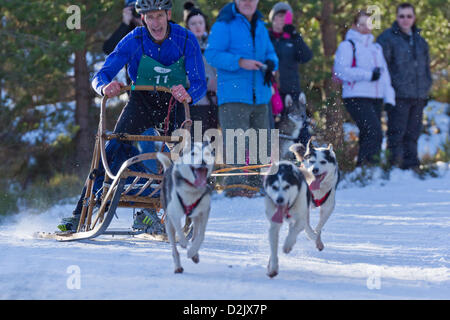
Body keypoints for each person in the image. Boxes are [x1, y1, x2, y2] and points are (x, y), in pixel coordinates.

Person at [58, 0, 207, 232]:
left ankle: (153, 210)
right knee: (114, 148)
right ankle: (81, 211)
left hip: (174, 104)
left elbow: (200, 83)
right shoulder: (134, 39)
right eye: (149, 17)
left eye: (159, 16)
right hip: (141, 103)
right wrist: (105, 87)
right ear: (142, 17)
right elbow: (102, 74)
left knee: (175, 154)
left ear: (168, 14)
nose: (155, 23)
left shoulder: (185, 39)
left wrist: (188, 93)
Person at [205, 0, 278, 197]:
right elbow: (212, 55)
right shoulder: (224, 24)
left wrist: (272, 63)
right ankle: (235, 189)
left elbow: (271, 53)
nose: (248, 2)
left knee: (261, 143)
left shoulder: (261, 25)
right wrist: (239, 62)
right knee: (236, 143)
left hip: (260, 95)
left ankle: (256, 187)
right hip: (233, 95)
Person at [333, 10, 395, 167]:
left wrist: (389, 98)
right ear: (354, 25)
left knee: (369, 133)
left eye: (369, 23)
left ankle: (366, 167)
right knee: (374, 132)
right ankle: (367, 168)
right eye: (362, 24)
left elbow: (384, 74)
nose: (366, 27)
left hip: (375, 97)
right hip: (356, 96)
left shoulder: (376, 48)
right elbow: (340, 70)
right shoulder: (347, 46)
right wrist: (367, 75)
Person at [377, 3, 432, 170]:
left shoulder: (420, 41)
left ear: (414, 18)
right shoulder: (387, 38)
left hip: (419, 95)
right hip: (398, 94)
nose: (405, 20)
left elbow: (426, 67)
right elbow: (381, 66)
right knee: (396, 133)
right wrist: (388, 90)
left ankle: (412, 166)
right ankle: (395, 167)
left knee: (413, 133)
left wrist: (427, 88)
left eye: (409, 16)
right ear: (396, 17)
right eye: (402, 16)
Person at [268, 2, 313, 146]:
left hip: (292, 92)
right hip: (271, 91)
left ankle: (305, 160)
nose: (282, 19)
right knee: (272, 129)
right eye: (279, 16)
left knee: (301, 131)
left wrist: (295, 35)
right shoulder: (265, 37)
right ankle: (272, 162)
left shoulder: (293, 39)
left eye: (286, 17)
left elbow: (306, 57)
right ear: (273, 18)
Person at [183, 1, 218, 137]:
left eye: (200, 22)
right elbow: (182, 74)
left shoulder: (213, 45)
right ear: (188, 26)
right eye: (193, 23)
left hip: (214, 101)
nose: (197, 26)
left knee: (212, 142)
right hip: (196, 102)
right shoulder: (185, 47)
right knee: (198, 141)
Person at [103, 1, 143, 87]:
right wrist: (125, 23)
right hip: (135, 88)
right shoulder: (126, 31)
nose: (137, 12)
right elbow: (108, 49)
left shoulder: (161, 25)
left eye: (139, 8)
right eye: (133, 9)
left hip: (163, 84)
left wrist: (147, 25)